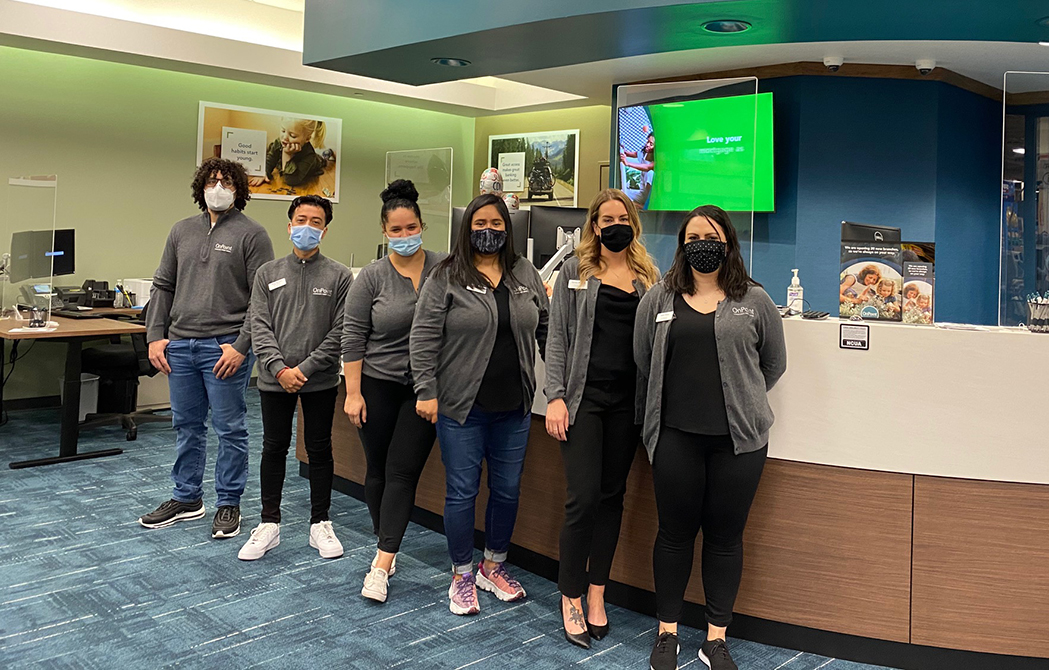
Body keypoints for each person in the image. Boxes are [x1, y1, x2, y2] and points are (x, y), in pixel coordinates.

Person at [634, 205, 786, 670]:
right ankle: (667, 633)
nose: (702, 242)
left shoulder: (754, 300)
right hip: (676, 437)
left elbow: (773, 364)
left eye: (712, 235)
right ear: (682, 244)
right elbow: (644, 357)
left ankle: (715, 638)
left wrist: (740, 397)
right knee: (674, 535)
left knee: (725, 538)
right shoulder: (659, 298)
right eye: (693, 235)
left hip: (738, 444)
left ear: (728, 243)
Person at [410, 193, 549, 616]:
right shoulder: (446, 275)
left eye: (496, 223)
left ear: (509, 228)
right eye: (479, 223)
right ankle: (461, 574)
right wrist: (425, 390)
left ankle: (493, 565)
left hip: (514, 406)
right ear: (466, 226)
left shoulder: (524, 272)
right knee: (462, 493)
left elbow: (546, 330)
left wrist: (562, 385)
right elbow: (424, 336)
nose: (487, 230)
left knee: (506, 491)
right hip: (460, 407)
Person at [544, 189, 660, 649]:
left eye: (623, 217)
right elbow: (557, 338)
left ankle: (597, 594)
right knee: (583, 498)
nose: (616, 224)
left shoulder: (649, 277)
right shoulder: (576, 270)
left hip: (628, 403)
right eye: (607, 218)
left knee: (613, 497)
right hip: (583, 398)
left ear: (633, 223)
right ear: (594, 225)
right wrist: (555, 396)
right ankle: (569, 594)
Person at [140, 158, 275, 538]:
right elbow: (163, 285)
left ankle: (229, 502)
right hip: (180, 345)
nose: (218, 186)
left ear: (239, 190)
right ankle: (187, 497)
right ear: (201, 186)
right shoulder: (181, 230)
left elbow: (261, 299)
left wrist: (241, 345)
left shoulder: (253, 234)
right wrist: (155, 336)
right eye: (212, 180)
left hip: (225, 347)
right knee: (185, 425)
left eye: (227, 181)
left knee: (230, 428)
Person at [342, 180, 446, 603]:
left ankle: (382, 561)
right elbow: (353, 336)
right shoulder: (372, 277)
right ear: (385, 233)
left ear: (422, 225)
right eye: (396, 231)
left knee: (403, 471)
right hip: (377, 385)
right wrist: (353, 392)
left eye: (411, 228)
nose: (405, 236)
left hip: (424, 391)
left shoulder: (444, 268)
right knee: (378, 470)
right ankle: (386, 535)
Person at [237, 195, 351, 561]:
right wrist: (279, 368)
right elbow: (259, 325)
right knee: (274, 447)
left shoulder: (339, 276)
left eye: (315, 221)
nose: (307, 227)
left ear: (325, 230)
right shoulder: (267, 273)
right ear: (289, 226)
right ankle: (269, 522)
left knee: (319, 448)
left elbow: (340, 331)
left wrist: (303, 369)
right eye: (301, 219)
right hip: (274, 379)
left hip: (319, 380)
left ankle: (320, 522)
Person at [250, 117, 328, 188]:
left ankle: (327, 154)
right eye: (283, 131)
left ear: (307, 138)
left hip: (315, 163)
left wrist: (287, 154)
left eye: (292, 136)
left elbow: (291, 180)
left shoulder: (310, 155)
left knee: (322, 160)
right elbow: (270, 159)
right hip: (285, 164)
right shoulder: (279, 142)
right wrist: (264, 173)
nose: (285, 137)